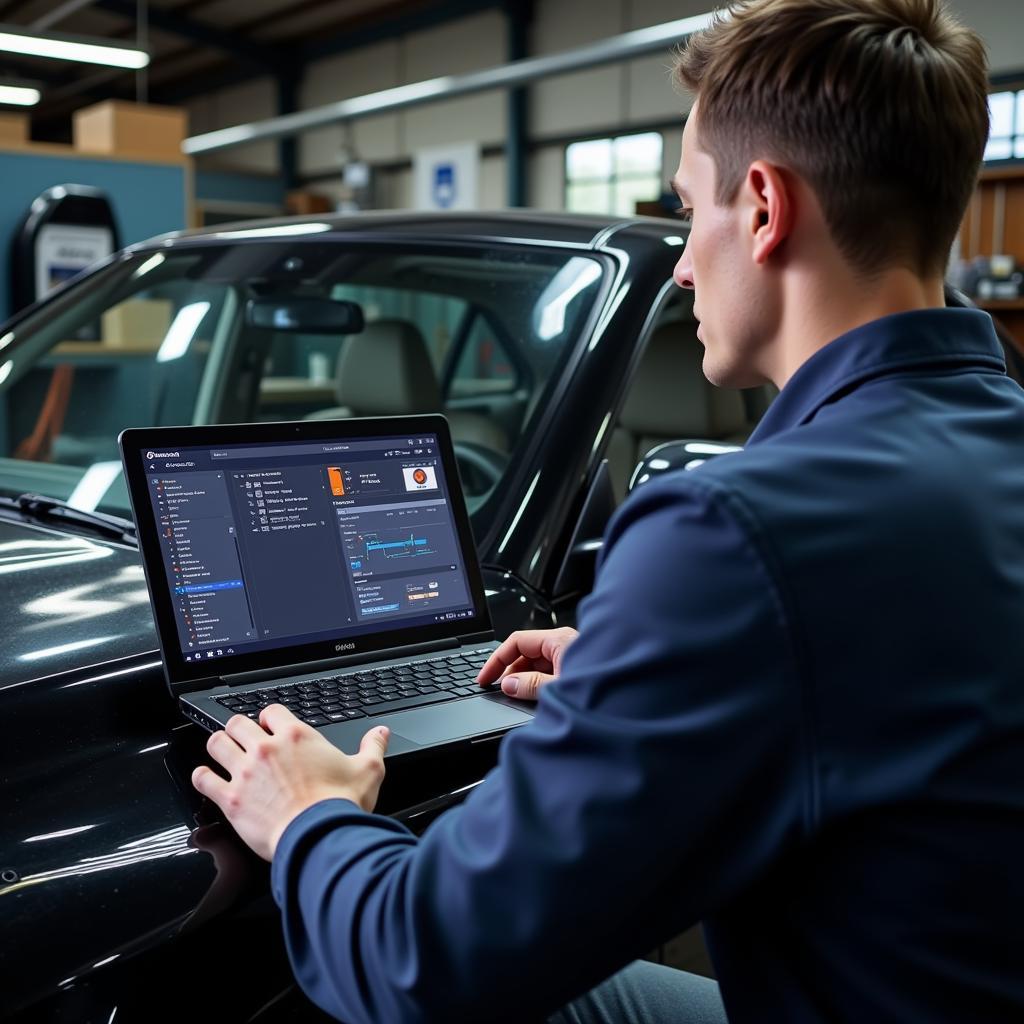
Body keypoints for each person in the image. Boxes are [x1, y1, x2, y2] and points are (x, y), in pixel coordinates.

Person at [192, 1, 1024, 1020]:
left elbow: (428, 960)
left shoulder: (736, 530)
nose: (681, 262)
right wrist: (647, 665)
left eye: (686, 210)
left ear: (762, 208)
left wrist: (311, 815)